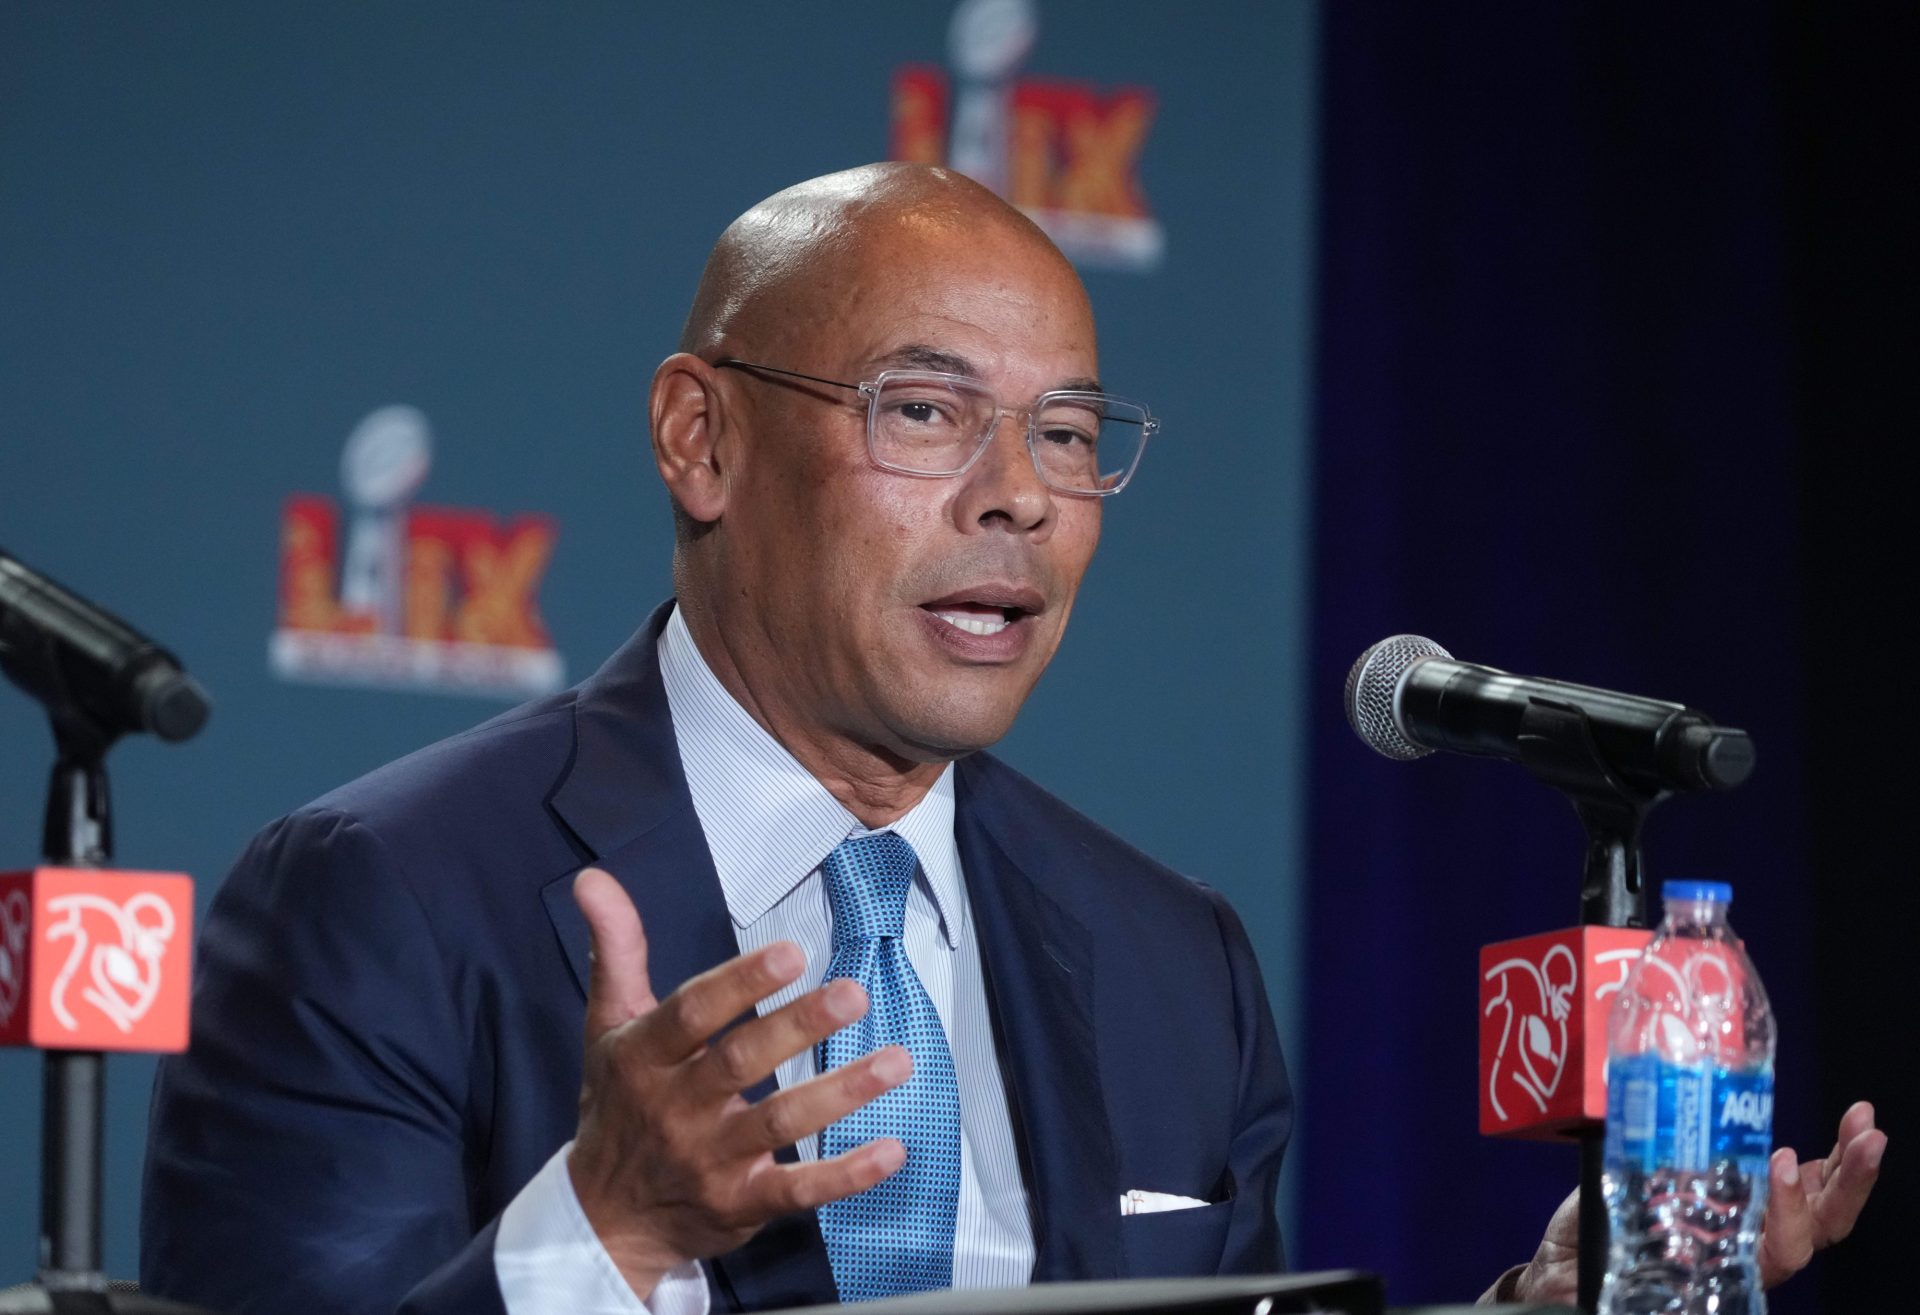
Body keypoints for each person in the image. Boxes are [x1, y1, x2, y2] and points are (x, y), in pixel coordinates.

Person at [141, 163, 1882, 1315]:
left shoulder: (1171, 962)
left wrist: (1537, 1312)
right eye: (926, 411)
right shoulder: (383, 894)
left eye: (1065, 434)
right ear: (701, 441)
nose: (1020, 499)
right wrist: (609, 1230)